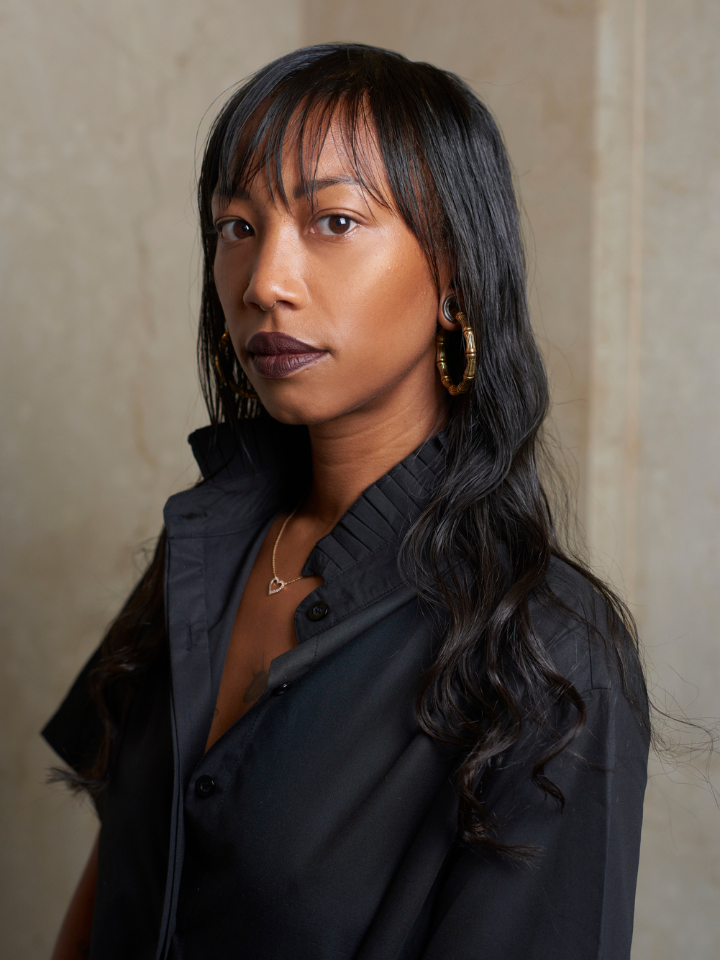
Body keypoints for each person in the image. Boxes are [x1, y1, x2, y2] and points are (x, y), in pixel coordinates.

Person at [44, 43, 650, 960]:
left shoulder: (551, 654)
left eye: (332, 221)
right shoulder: (203, 547)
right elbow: (114, 889)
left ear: (452, 272)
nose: (263, 284)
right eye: (236, 226)